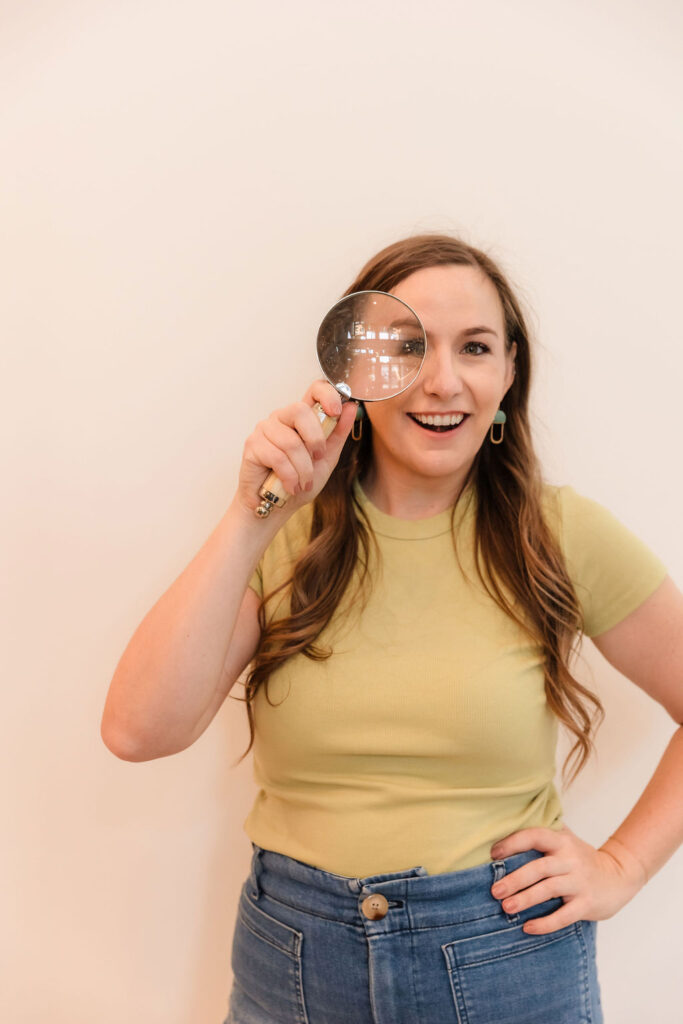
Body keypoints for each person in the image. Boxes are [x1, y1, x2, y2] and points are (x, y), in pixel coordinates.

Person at [101, 233, 683, 1024]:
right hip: (292, 957)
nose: (441, 381)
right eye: (406, 348)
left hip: (502, 956)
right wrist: (253, 514)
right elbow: (138, 730)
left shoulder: (562, 533)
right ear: (355, 370)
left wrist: (620, 865)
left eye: (473, 347)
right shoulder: (285, 535)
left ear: (508, 370)